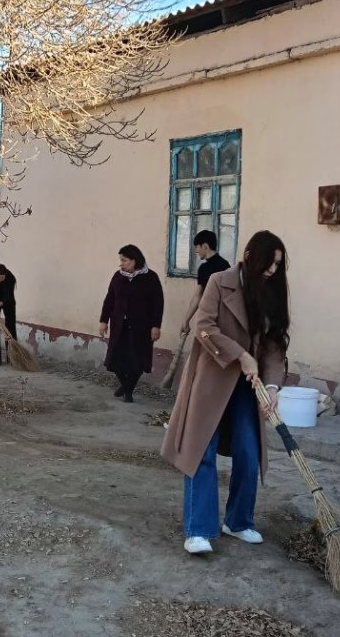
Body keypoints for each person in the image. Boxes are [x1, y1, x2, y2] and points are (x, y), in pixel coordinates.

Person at [160, 230, 290, 555]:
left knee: (248, 451)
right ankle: (198, 530)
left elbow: (275, 346)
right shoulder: (219, 282)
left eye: (277, 265)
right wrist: (241, 354)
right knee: (202, 450)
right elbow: (204, 327)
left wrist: (272, 386)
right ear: (249, 256)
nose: (272, 270)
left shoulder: (272, 290)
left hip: (247, 386)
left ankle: (239, 521)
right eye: (268, 263)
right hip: (211, 379)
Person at [99, 244, 164, 403]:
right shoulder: (118, 276)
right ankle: (126, 386)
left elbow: (157, 304)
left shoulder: (150, 277)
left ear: (135, 260)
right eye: (121, 260)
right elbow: (109, 299)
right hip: (119, 325)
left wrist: (156, 326)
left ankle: (127, 391)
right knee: (115, 358)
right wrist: (103, 321)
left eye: (124, 260)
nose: (121, 264)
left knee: (138, 359)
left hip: (141, 327)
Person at [180, 230, 231, 335]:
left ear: (204, 246)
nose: (196, 251)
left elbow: (198, 296)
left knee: (205, 341)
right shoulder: (226, 265)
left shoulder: (204, 268)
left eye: (197, 247)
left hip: (210, 317)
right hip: (226, 318)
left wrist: (186, 320)